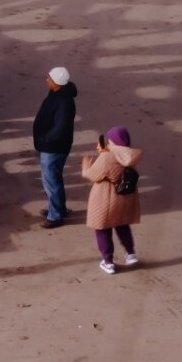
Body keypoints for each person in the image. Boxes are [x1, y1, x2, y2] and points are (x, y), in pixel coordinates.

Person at [83, 124, 143, 273]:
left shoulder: (107, 156)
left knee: (102, 229)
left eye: (110, 141)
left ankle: (108, 262)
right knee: (122, 225)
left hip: (106, 198)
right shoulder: (130, 155)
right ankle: (131, 254)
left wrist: (86, 166)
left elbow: (93, 175)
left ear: (114, 142)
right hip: (125, 198)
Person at [31, 66, 78, 227]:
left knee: (51, 181)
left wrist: (44, 140)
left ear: (56, 83)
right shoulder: (58, 95)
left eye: (49, 78)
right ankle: (58, 208)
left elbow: (60, 128)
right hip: (53, 146)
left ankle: (55, 216)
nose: (46, 80)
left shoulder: (62, 102)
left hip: (53, 148)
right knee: (53, 179)